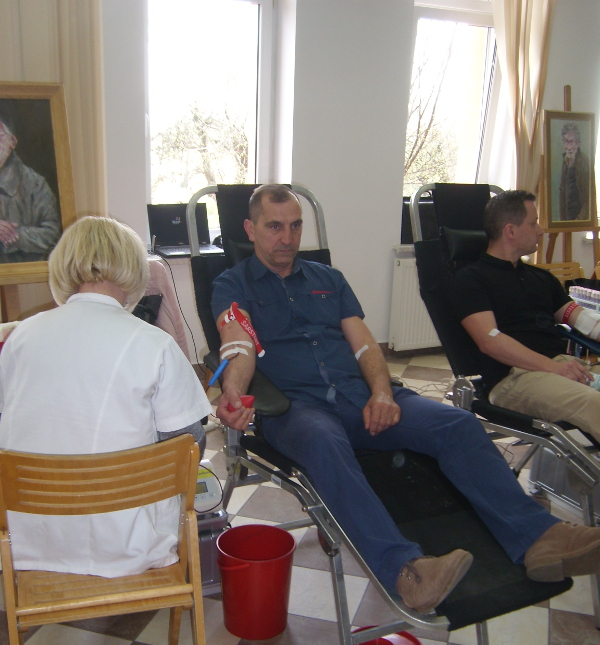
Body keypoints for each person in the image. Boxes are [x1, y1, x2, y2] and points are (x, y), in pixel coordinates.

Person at [211, 184, 600, 612]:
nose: (287, 238)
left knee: (456, 423)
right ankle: (405, 571)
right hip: (297, 409)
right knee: (324, 441)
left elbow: (365, 345)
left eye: (295, 226)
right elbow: (238, 344)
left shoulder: (329, 279)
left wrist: (382, 393)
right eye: (274, 227)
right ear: (250, 229)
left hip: (361, 398)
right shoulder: (232, 284)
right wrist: (233, 392)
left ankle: (540, 539)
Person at [0, 216, 212, 577]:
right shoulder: (155, 345)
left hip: (26, 543)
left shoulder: (20, 338)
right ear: (134, 268)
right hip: (129, 548)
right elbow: (188, 448)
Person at [450, 189, 600, 445]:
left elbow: (583, 321)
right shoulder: (471, 281)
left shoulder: (541, 278)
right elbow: (490, 340)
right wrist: (553, 367)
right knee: (594, 404)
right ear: (510, 231)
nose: (540, 231)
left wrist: (560, 366)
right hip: (514, 378)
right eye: (533, 223)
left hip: (562, 366)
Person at [0, 107, 61, 263]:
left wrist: (15, 235)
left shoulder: (35, 184)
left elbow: (54, 236)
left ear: (12, 142)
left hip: (25, 271)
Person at [558, 122, 590, 221]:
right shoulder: (565, 161)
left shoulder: (583, 162)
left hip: (579, 220)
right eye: (566, 141)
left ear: (578, 143)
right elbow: (562, 192)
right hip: (567, 220)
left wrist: (579, 219)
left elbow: (588, 197)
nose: (569, 147)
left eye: (572, 141)